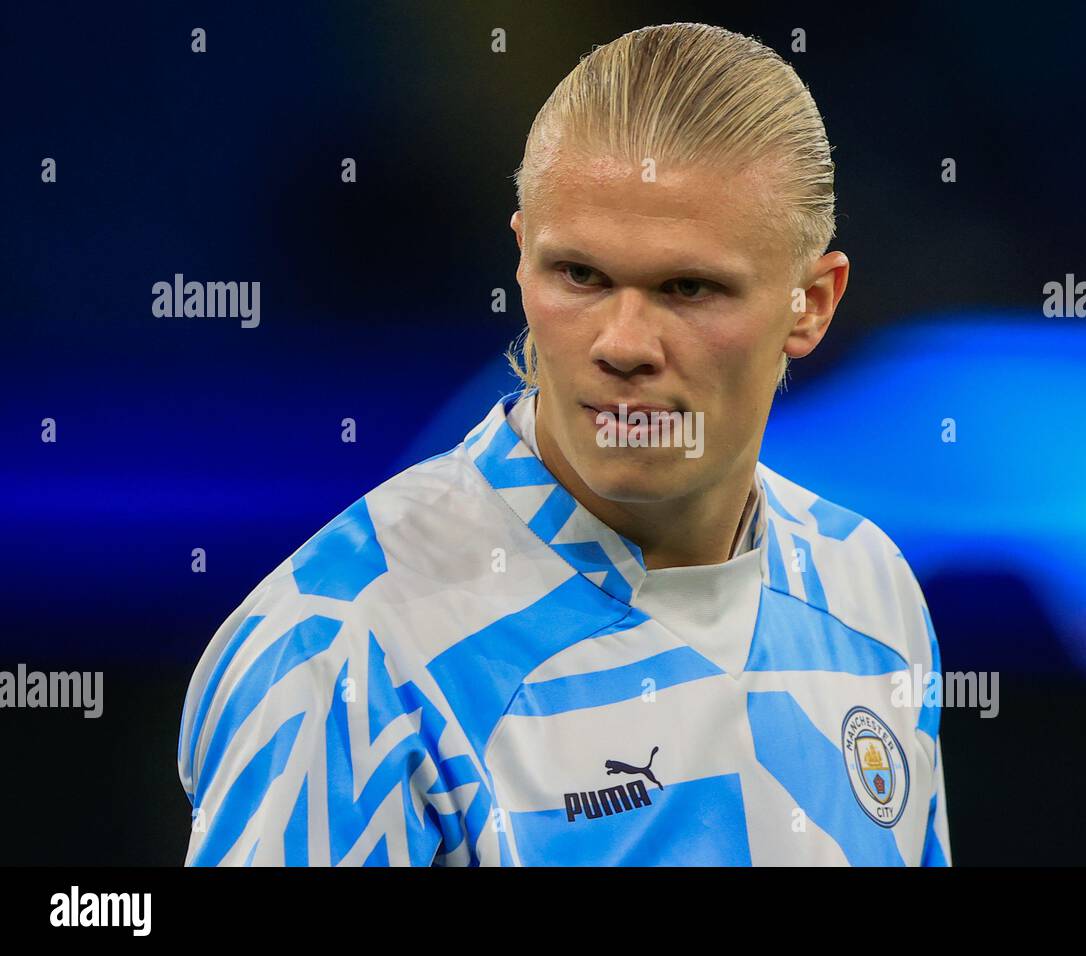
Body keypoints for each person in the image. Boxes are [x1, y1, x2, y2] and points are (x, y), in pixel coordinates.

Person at [177, 21, 951, 866]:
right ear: (521, 261)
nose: (623, 343)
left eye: (688, 287)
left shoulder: (872, 594)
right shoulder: (341, 649)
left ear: (812, 302)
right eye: (579, 275)